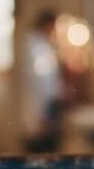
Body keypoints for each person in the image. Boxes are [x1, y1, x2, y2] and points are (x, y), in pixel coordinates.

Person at [22, 9, 64, 152]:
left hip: (46, 103)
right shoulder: (33, 45)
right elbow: (39, 80)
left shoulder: (43, 45)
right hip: (40, 105)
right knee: (40, 149)